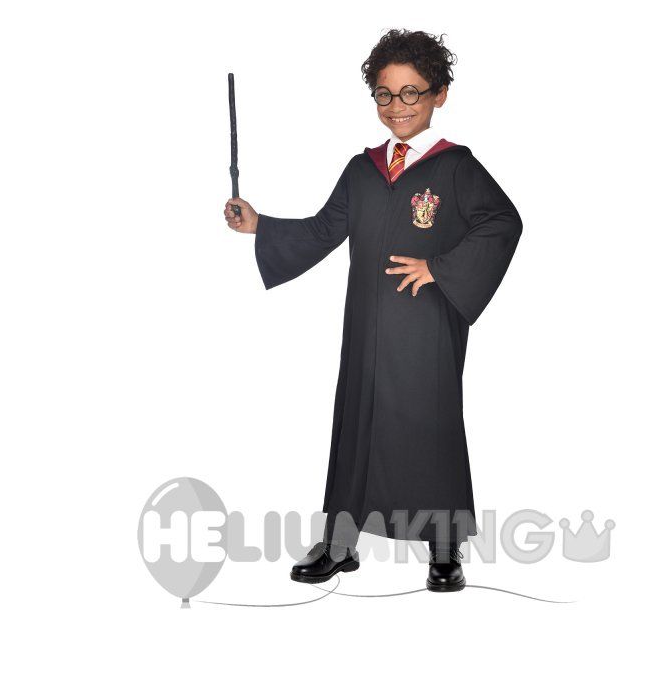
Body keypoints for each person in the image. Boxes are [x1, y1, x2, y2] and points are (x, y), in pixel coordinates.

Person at [223, 29, 522, 592]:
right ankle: (341, 542)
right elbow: (324, 230)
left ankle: (444, 547)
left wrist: (442, 269)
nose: (397, 106)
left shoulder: (455, 167)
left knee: (430, 425)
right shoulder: (362, 170)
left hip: (426, 326)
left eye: (411, 93)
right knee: (356, 422)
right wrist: (260, 224)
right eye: (385, 94)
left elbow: (504, 221)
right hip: (366, 324)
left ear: (439, 94)